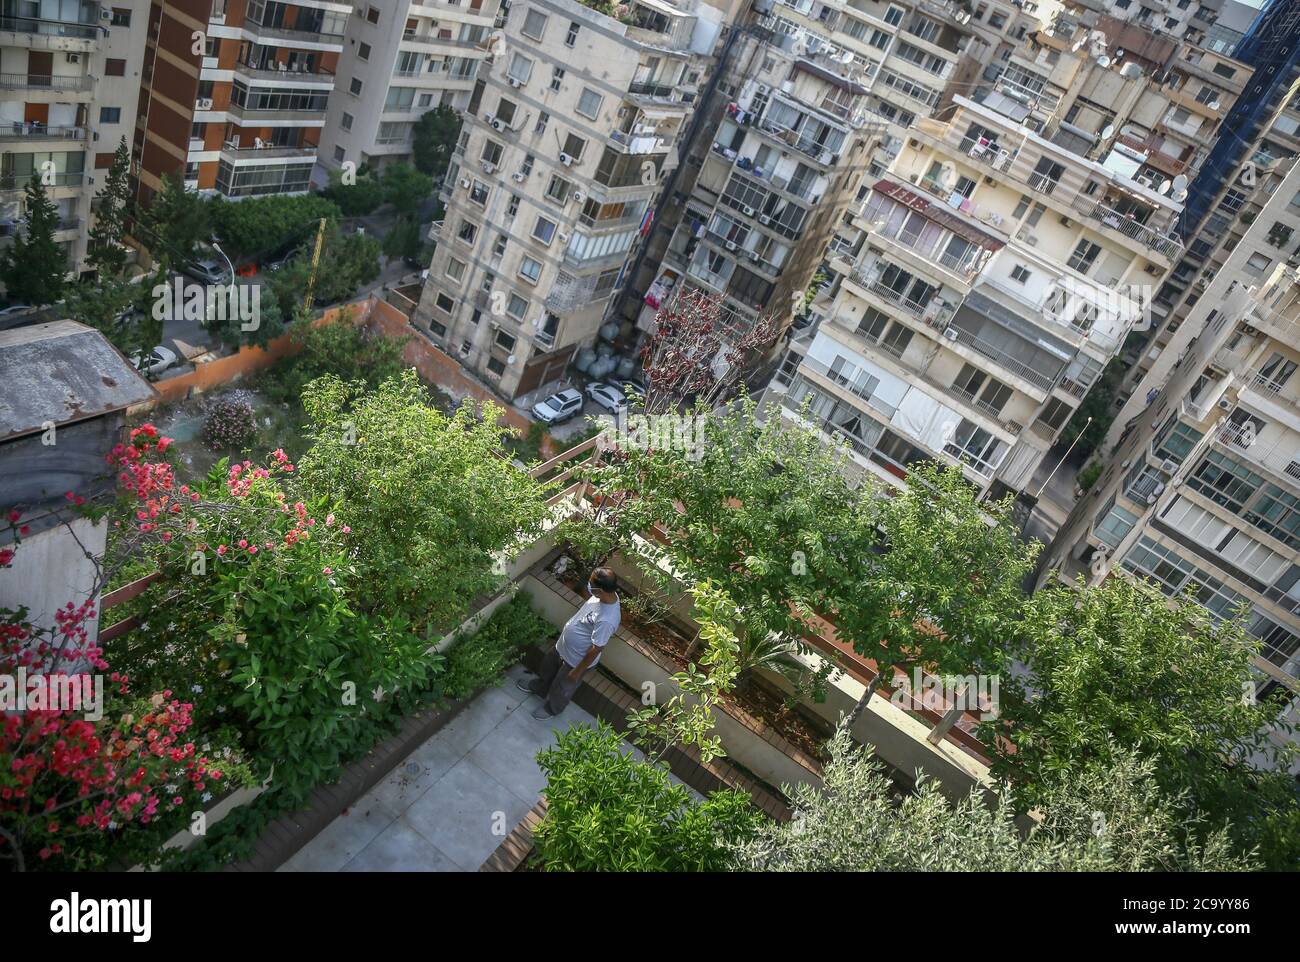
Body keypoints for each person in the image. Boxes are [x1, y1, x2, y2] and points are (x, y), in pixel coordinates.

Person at [518, 566, 621, 719]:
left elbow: (596, 648)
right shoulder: (603, 596)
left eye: (591, 583)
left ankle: (552, 708)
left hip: (575, 660)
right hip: (562, 647)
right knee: (547, 669)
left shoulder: (608, 619)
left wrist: (577, 671)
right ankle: (539, 688)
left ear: (600, 590)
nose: (588, 585)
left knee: (562, 687)